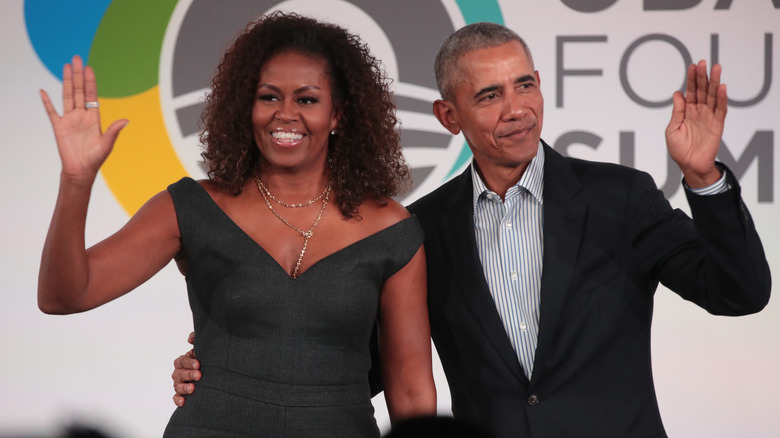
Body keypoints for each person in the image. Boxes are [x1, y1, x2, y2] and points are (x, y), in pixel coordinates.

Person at [173, 22, 771, 437]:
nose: (516, 109)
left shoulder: (620, 197)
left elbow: (739, 294)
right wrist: (228, 363)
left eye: (525, 85)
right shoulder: (421, 229)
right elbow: (363, 368)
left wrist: (705, 180)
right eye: (489, 95)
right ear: (448, 116)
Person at [38, 12, 435, 437]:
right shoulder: (193, 206)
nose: (285, 114)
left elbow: (411, 390)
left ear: (337, 114)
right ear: (245, 106)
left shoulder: (390, 229)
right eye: (268, 97)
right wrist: (76, 181)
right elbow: (65, 295)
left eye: (306, 99)